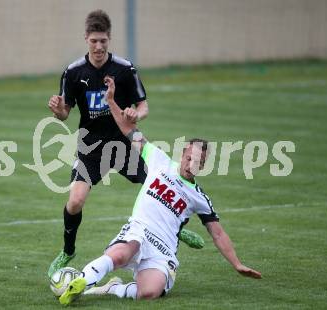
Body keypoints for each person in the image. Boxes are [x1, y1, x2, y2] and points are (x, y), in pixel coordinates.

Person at [58, 76, 262, 305]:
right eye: (189, 157)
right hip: (139, 230)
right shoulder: (158, 160)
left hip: (163, 248)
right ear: (183, 153)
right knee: (121, 254)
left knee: (149, 293)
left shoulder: (199, 198)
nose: (191, 163)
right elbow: (129, 129)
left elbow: (218, 233)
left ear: (203, 166)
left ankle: (114, 288)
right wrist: (112, 101)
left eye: (197, 161)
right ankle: (81, 282)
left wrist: (237, 264)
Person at [47, 10, 204, 277]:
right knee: (75, 202)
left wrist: (135, 114)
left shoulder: (124, 69)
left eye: (103, 41)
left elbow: (143, 107)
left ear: (110, 40)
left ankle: (177, 228)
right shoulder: (73, 72)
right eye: (94, 41)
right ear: (86, 38)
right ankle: (68, 250)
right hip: (91, 148)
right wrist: (58, 110)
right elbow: (64, 113)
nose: (98, 46)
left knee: (161, 187)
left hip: (124, 144)